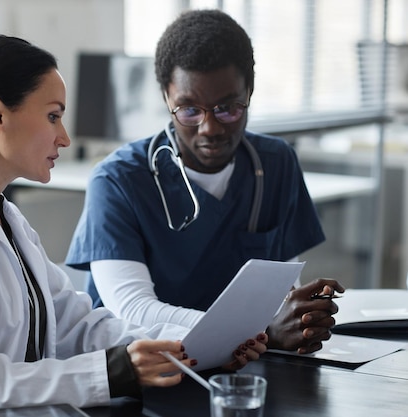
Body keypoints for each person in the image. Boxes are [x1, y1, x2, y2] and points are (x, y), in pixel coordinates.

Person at [0, 35, 268, 417]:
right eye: (53, 116)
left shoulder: (6, 219)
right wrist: (112, 371)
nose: (65, 137)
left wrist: (194, 344)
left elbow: (77, 323)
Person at [66, 9, 345, 355]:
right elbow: (133, 310)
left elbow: (281, 293)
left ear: (250, 91)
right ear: (166, 96)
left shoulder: (276, 164)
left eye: (228, 107)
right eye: (189, 110)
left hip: (238, 365)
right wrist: (261, 332)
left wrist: (302, 317)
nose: (210, 128)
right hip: (142, 370)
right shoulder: (117, 180)